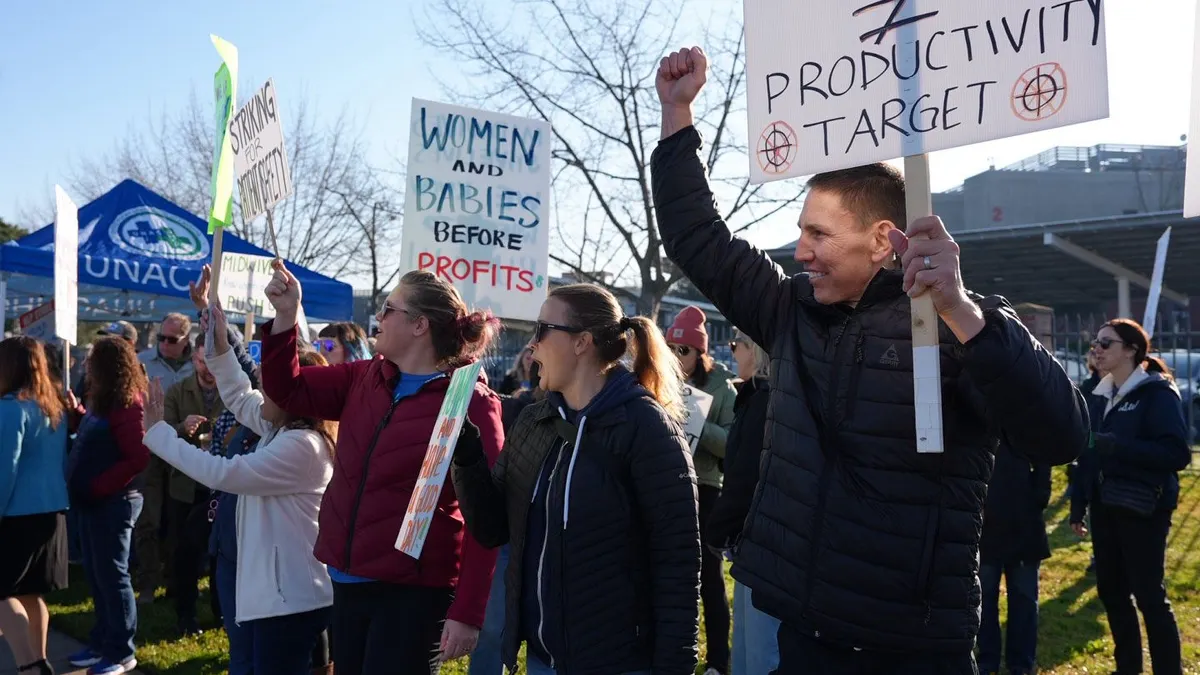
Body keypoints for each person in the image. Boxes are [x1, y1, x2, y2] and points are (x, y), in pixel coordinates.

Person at [652, 47, 1088, 674]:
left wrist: (963, 313)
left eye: (818, 235)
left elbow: (1059, 436)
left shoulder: (959, 325)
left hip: (913, 646)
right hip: (801, 631)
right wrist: (677, 114)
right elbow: (697, 235)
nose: (798, 252)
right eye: (800, 232)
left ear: (883, 238)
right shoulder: (790, 310)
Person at [260, 262, 504, 675]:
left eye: (388, 308)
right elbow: (288, 390)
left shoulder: (469, 400)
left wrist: (468, 611)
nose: (377, 317)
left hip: (413, 590)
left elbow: (487, 516)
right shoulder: (364, 376)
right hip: (347, 577)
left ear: (419, 325)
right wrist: (285, 317)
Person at [451, 283, 701, 675]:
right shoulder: (535, 420)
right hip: (542, 660)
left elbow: (678, 565)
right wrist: (466, 453)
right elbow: (492, 527)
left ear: (582, 342)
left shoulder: (646, 428)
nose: (531, 346)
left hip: (620, 663)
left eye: (542, 330)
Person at [144, 300, 337, 675]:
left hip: (290, 603)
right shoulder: (285, 428)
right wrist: (219, 344)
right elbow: (238, 393)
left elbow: (221, 473)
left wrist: (159, 435)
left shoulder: (303, 445)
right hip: (276, 597)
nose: (261, 391)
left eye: (270, 386)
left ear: (295, 397)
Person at [1070, 319, 1189, 675]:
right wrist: (1078, 505)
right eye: (1095, 343)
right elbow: (1087, 453)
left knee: (1150, 596)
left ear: (1131, 350)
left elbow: (1176, 454)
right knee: (1111, 591)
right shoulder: (1098, 394)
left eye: (1106, 343)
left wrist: (1118, 446)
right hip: (1106, 506)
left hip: (1144, 507)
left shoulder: (1156, 394)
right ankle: (1128, 669)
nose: (1097, 349)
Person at [66, 337, 152, 675]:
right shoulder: (103, 400)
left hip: (114, 503)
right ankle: (102, 641)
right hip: (93, 502)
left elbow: (138, 456)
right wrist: (77, 414)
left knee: (113, 577)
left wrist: (99, 486)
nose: (86, 367)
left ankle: (121, 651)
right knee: (97, 574)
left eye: (91, 361)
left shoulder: (129, 403)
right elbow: (94, 435)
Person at [665, 304, 735, 675]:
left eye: (685, 350)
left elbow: (731, 444)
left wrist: (698, 422)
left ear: (701, 352)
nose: (677, 357)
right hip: (670, 485)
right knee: (671, 574)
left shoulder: (723, 385)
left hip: (706, 489)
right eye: (672, 349)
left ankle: (719, 662)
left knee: (710, 578)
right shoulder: (660, 377)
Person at [706, 330, 778, 675]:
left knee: (760, 653)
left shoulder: (762, 400)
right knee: (750, 648)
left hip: (760, 541)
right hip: (758, 538)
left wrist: (717, 531)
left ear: (756, 351)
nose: (732, 352)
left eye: (737, 345)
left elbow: (746, 476)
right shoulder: (757, 397)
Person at [0, 338, 71, 675]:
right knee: (31, 593)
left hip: (15, 514)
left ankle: (29, 666)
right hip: (51, 511)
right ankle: (40, 661)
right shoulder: (52, 406)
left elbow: (5, 469)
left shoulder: (10, 409)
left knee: (3, 594)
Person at [469, 359, 542, 675]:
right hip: (511, 535)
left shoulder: (584, 418)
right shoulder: (514, 411)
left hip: (546, 539)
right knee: (492, 627)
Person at [161, 331, 227, 633]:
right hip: (186, 486)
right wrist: (180, 427)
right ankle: (185, 614)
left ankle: (221, 612)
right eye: (201, 361)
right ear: (194, 359)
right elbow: (160, 433)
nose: (207, 368)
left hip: (221, 485)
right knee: (184, 554)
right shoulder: (177, 392)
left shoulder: (233, 391)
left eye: (212, 361)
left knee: (221, 554)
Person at [134, 313, 194, 605]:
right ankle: (147, 582)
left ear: (185, 339)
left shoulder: (199, 364)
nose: (164, 344)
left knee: (177, 518)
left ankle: (174, 579)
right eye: (161, 338)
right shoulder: (143, 361)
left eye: (172, 339)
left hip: (185, 448)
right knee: (148, 518)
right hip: (151, 450)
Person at [977, 443, 1051, 675]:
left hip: (1024, 522)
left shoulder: (1030, 415)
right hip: (986, 522)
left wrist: (1038, 495)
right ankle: (986, 658)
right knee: (983, 596)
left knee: (1024, 597)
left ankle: (1021, 662)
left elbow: (1043, 455)